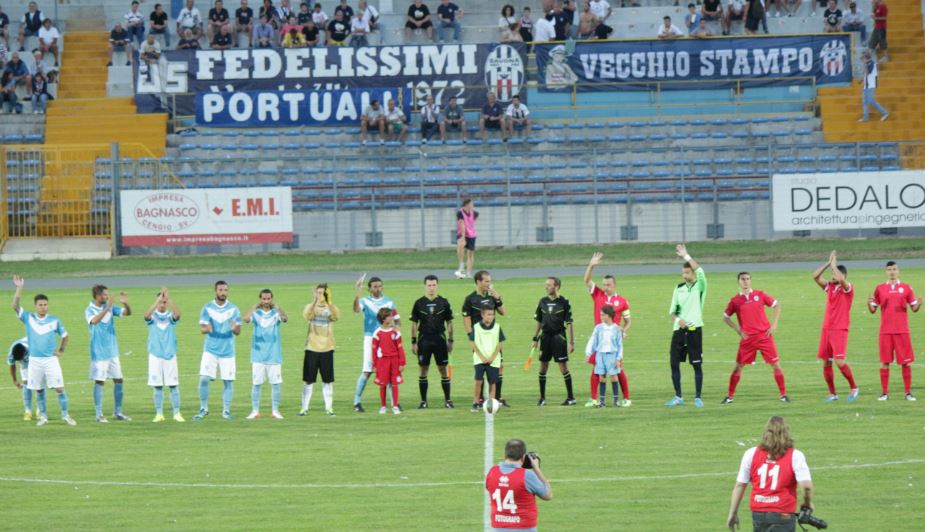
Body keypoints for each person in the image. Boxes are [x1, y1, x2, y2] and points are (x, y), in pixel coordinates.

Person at [727, 416, 813, 532]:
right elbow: (806, 486)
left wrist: (733, 513)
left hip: (759, 514)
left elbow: (740, 485)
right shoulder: (795, 455)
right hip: (783, 513)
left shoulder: (751, 454)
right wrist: (807, 504)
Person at [11, 276, 76, 427]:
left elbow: (65, 336)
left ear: (48, 305)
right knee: (39, 390)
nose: (43, 307)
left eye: (45, 305)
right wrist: (19, 288)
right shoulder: (29, 317)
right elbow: (15, 305)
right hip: (34, 361)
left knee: (59, 388)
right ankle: (43, 417)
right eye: (40, 305)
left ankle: (65, 415)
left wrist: (61, 350)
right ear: (35, 306)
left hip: (50, 360)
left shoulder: (54, 320)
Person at [721, 272, 788, 404]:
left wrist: (774, 325)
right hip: (748, 339)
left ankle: (783, 395)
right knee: (738, 367)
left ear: (751, 281)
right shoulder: (735, 300)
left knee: (776, 365)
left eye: (747, 279)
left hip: (764, 336)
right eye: (742, 279)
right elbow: (725, 317)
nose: (745, 281)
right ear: (738, 282)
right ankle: (729, 397)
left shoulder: (760, 294)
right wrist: (738, 329)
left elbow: (777, 305)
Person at [582, 252, 632, 407]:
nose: (605, 287)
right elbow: (587, 280)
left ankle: (626, 398)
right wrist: (591, 265)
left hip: (613, 341)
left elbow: (628, 321)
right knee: (597, 368)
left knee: (618, 369)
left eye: (608, 285)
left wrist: (623, 330)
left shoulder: (622, 301)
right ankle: (594, 399)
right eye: (604, 284)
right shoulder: (598, 294)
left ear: (614, 285)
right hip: (599, 339)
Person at [869, 260, 920, 400]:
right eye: (889, 269)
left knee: (905, 362)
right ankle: (884, 393)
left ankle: (908, 393)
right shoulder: (880, 288)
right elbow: (873, 309)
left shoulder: (906, 288)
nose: (892, 272)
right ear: (886, 272)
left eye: (894, 269)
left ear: (898, 271)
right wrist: (869, 304)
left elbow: (914, 308)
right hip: (885, 331)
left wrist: (919, 304)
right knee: (885, 362)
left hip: (902, 331)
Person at [812, 251, 859, 402]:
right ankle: (833, 394)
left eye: (834, 273)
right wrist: (828, 263)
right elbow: (815, 276)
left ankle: (854, 388)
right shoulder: (830, 287)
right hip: (827, 328)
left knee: (839, 361)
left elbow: (841, 279)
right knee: (826, 362)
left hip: (840, 329)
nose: (832, 275)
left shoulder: (848, 288)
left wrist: (834, 265)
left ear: (843, 275)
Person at [666, 244, 707, 408]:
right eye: (683, 273)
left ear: (693, 273)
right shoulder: (678, 288)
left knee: (696, 364)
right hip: (679, 331)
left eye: (687, 272)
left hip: (695, 330)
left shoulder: (700, 286)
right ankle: (678, 397)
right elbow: (673, 312)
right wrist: (679, 321)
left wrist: (686, 255)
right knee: (674, 363)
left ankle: (698, 397)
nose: (684, 275)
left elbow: (700, 270)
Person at [195, 280, 242, 421]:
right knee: (203, 379)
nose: (223, 293)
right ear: (215, 291)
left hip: (227, 351)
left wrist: (234, 328)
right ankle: (203, 408)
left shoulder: (234, 309)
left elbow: (238, 331)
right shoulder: (207, 308)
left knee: (228, 382)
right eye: (220, 290)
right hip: (210, 350)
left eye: (225, 290)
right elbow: (202, 328)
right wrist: (207, 329)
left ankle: (226, 411)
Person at [352, 274, 399, 412]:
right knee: (367, 371)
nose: (377, 289)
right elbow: (356, 309)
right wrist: (357, 292)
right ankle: (357, 402)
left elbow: (397, 319)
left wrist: (396, 332)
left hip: (386, 339)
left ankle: (394, 403)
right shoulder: (364, 301)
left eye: (379, 286)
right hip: (370, 338)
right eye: (374, 287)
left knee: (390, 371)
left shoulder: (389, 302)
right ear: (369, 289)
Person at [86, 284, 133, 423]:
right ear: (97, 296)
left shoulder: (110, 307)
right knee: (100, 381)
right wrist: (107, 307)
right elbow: (94, 321)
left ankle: (118, 412)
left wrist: (125, 303)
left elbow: (127, 313)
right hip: (99, 353)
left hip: (112, 351)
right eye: (105, 295)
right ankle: (99, 414)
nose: (107, 296)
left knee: (119, 380)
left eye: (107, 294)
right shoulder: (89, 310)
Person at [485, 439, 552, 530]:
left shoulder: (492, 472)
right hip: (524, 528)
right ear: (523, 457)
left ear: (505, 455)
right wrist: (536, 468)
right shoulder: (527, 475)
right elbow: (548, 495)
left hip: (498, 528)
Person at [462, 270, 507, 405]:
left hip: (493, 338)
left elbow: (503, 312)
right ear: (478, 282)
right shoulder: (470, 299)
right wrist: (471, 336)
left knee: (499, 366)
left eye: (489, 281)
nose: (489, 284)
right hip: (480, 339)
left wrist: (498, 298)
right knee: (480, 368)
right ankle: (480, 399)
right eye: (486, 281)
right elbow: (466, 318)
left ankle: (497, 398)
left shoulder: (492, 297)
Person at [410, 275, 454, 409]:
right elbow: (414, 323)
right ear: (425, 286)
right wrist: (413, 342)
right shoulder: (419, 303)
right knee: (423, 369)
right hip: (424, 340)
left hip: (440, 339)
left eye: (434, 285)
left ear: (437, 286)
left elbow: (449, 322)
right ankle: (423, 401)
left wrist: (451, 340)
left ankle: (448, 400)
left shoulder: (444, 302)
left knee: (443, 369)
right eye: (429, 285)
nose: (431, 288)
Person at [243, 289, 288, 420]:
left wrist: (279, 308)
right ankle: (255, 411)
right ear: (260, 299)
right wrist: (254, 307)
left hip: (274, 355)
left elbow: (285, 319)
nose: (266, 301)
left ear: (271, 299)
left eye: (268, 299)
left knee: (275, 384)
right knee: (256, 384)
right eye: (264, 299)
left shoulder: (275, 313)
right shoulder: (256, 313)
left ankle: (275, 411)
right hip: (258, 355)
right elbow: (245, 319)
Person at [532, 277, 575, 406]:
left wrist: (571, 342)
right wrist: (535, 338)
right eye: (546, 285)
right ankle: (542, 398)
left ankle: (571, 398)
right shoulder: (542, 301)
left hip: (558, 338)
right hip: (545, 338)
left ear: (556, 286)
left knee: (563, 367)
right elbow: (539, 321)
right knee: (543, 367)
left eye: (549, 285)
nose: (546, 287)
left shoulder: (564, 302)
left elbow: (569, 323)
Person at [144, 287, 184, 422]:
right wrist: (157, 301)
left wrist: (169, 299)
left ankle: (176, 413)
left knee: (173, 385)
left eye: (164, 302)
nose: (162, 304)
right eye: (160, 302)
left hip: (170, 354)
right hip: (155, 355)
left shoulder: (170, 317)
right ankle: (159, 414)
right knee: (157, 386)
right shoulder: (153, 317)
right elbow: (146, 316)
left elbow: (178, 315)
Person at [301, 283, 340, 416]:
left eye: (322, 293)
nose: (320, 295)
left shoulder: (331, 307)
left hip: (327, 348)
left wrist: (329, 302)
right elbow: (307, 316)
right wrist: (314, 301)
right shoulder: (310, 306)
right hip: (312, 347)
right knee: (308, 380)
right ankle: (304, 408)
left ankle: (329, 408)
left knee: (327, 381)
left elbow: (336, 316)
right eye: (318, 292)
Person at [584, 305, 623, 408]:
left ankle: (616, 401)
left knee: (614, 377)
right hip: (600, 355)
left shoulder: (616, 329)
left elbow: (620, 345)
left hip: (612, 355)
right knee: (602, 377)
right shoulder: (598, 328)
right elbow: (593, 341)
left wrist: (618, 358)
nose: (600, 316)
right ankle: (602, 402)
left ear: (609, 315)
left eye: (602, 315)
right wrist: (588, 353)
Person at [470, 303, 503, 412]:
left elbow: (499, 344)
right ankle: (475, 402)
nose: (491, 317)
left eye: (492, 314)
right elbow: (473, 343)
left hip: (493, 360)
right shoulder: (476, 327)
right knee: (478, 381)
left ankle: (491, 403)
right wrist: (481, 357)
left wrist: (493, 357)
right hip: (479, 359)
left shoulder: (497, 327)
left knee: (492, 382)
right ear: (482, 315)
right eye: (488, 314)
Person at [372, 308, 405, 414]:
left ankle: (395, 406)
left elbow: (400, 348)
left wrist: (402, 362)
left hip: (394, 361)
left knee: (394, 383)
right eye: (389, 316)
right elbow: (374, 350)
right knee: (383, 384)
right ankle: (383, 406)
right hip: (383, 362)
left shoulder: (395, 332)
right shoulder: (377, 333)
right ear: (383, 319)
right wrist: (374, 365)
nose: (391, 318)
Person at [7, 336, 41, 421]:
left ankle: (40, 410)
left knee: (38, 385)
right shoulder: (12, 352)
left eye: (20, 359)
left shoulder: (34, 348)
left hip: (38, 360)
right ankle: (27, 411)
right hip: (25, 364)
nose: (19, 361)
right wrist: (15, 380)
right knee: (26, 383)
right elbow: (12, 366)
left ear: (25, 352)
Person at [859, 50, 888, 122]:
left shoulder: (871, 63)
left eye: (863, 58)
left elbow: (868, 73)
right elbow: (866, 74)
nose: (862, 59)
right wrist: (862, 80)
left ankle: (885, 113)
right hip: (866, 86)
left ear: (866, 57)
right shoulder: (867, 63)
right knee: (865, 102)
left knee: (871, 100)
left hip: (871, 85)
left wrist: (865, 64)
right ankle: (866, 117)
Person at [454, 198, 478, 280]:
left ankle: (468, 273)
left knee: (470, 254)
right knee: (460, 246)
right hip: (462, 233)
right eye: (471, 204)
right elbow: (462, 225)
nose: (473, 205)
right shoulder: (460, 213)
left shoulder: (475, 213)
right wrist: (463, 237)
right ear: (467, 204)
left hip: (472, 235)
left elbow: (472, 222)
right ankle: (461, 266)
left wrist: (471, 230)